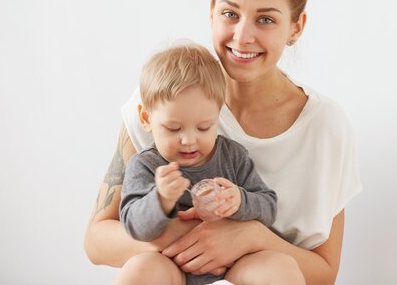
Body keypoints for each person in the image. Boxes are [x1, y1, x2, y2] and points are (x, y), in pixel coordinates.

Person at [85, 0, 362, 285]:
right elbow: (97, 241)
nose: (242, 36)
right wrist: (184, 236)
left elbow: (325, 272)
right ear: (211, 12)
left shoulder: (326, 128)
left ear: (296, 27)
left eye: (266, 19)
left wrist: (249, 236)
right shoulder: (164, 99)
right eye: (230, 13)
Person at [114, 43, 300, 285]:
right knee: (140, 270)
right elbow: (134, 227)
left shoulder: (231, 156)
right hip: (174, 269)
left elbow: (269, 207)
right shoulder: (146, 165)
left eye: (204, 127)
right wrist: (160, 199)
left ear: (218, 114)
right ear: (146, 118)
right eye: (173, 128)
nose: (189, 141)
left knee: (282, 267)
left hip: (234, 266)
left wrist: (239, 200)